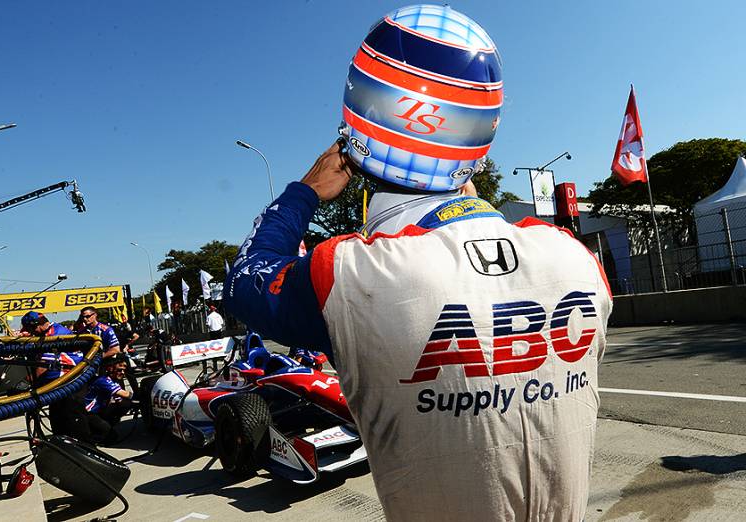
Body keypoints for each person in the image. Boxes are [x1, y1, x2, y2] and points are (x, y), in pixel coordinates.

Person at [223, 5, 612, 521]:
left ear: (359, 125)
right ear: (482, 133)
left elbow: (246, 280)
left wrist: (304, 192)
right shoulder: (576, 257)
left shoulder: (353, 275)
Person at [19, 311, 90, 440]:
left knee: (74, 419)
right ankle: (62, 447)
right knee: (57, 418)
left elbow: (43, 365)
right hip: (59, 384)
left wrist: (24, 384)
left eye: (30, 329)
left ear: (36, 325)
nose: (31, 333)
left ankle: (87, 448)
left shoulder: (55, 334)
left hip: (72, 383)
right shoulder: (48, 332)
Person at [84, 355, 133, 444]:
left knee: (125, 404)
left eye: (124, 370)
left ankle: (104, 426)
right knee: (108, 434)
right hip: (87, 413)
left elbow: (120, 399)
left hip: (98, 411)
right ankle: (91, 435)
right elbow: (126, 394)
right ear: (110, 369)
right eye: (119, 370)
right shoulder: (103, 381)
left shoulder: (114, 381)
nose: (122, 373)